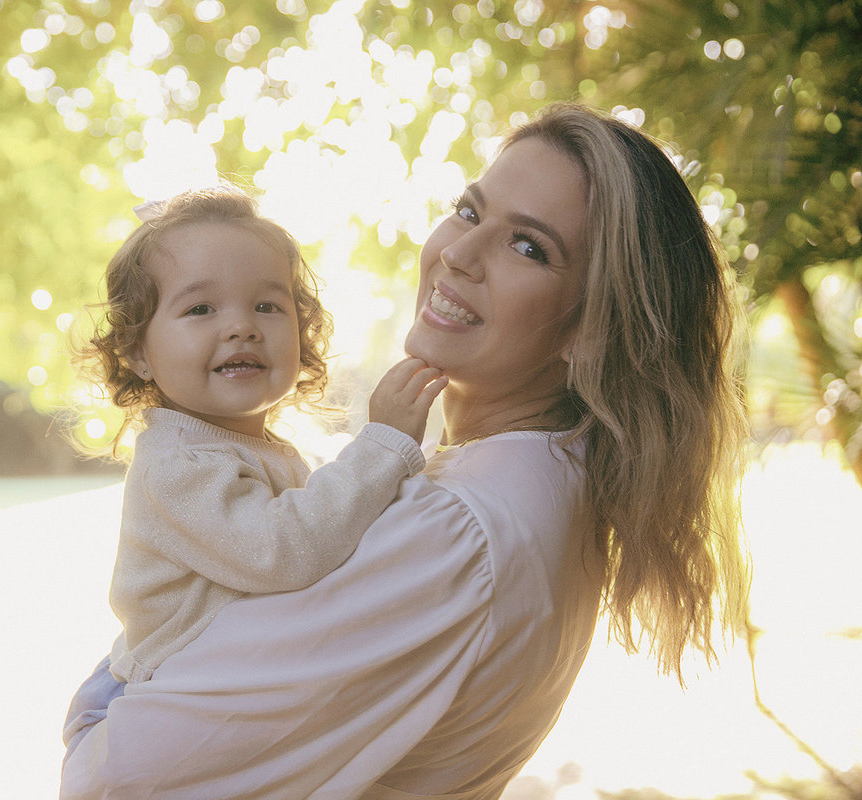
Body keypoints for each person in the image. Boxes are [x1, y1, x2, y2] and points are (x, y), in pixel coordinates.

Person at [59, 102, 751, 800]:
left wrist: (86, 738)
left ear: (591, 327)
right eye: (471, 212)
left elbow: (114, 781)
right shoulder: (545, 483)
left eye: (529, 247)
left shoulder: (456, 533)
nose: (457, 253)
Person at [62, 186, 449, 759]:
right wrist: (384, 449)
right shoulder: (178, 464)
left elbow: (329, 531)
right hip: (143, 704)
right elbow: (283, 548)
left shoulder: (254, 447)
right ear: (137, 350)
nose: (241, 327)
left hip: (202, 690)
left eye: (268, 306)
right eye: (200, 309)